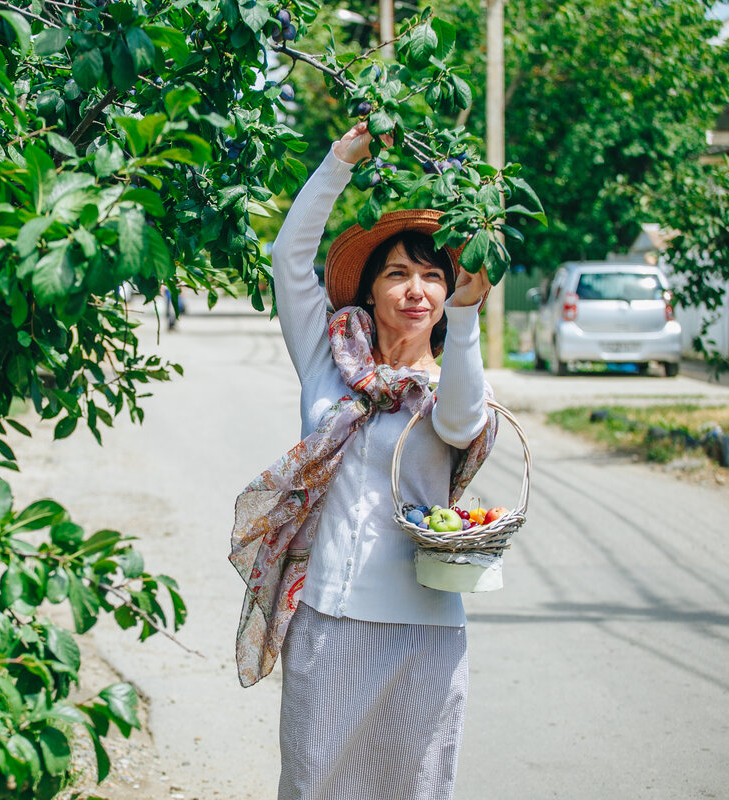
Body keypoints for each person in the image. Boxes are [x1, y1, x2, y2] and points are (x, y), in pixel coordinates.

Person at [228, 120, 498, 800]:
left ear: (447, 297)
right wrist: (339, 161)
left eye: (433, 277)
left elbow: (461, 424)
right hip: (328, 621)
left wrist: (468, 318)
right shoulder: (328, 364)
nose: (417, 289)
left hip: (424, 630)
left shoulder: (454, 381)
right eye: (398, 274)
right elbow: (288, 259)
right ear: (370, 290)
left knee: (414, 788)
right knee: (313, 786)